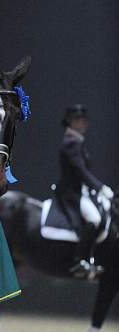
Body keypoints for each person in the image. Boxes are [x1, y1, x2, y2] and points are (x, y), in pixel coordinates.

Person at [55, 104, 113, 276]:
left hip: (81, 191)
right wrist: (101, 188)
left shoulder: (77, 142)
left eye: (84, 120)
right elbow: (81, 172)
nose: (83, 124)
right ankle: (79, 261)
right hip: (71, 193)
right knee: (94, 219)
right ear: (70, 122)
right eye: (79, 120)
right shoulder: (71, 143)